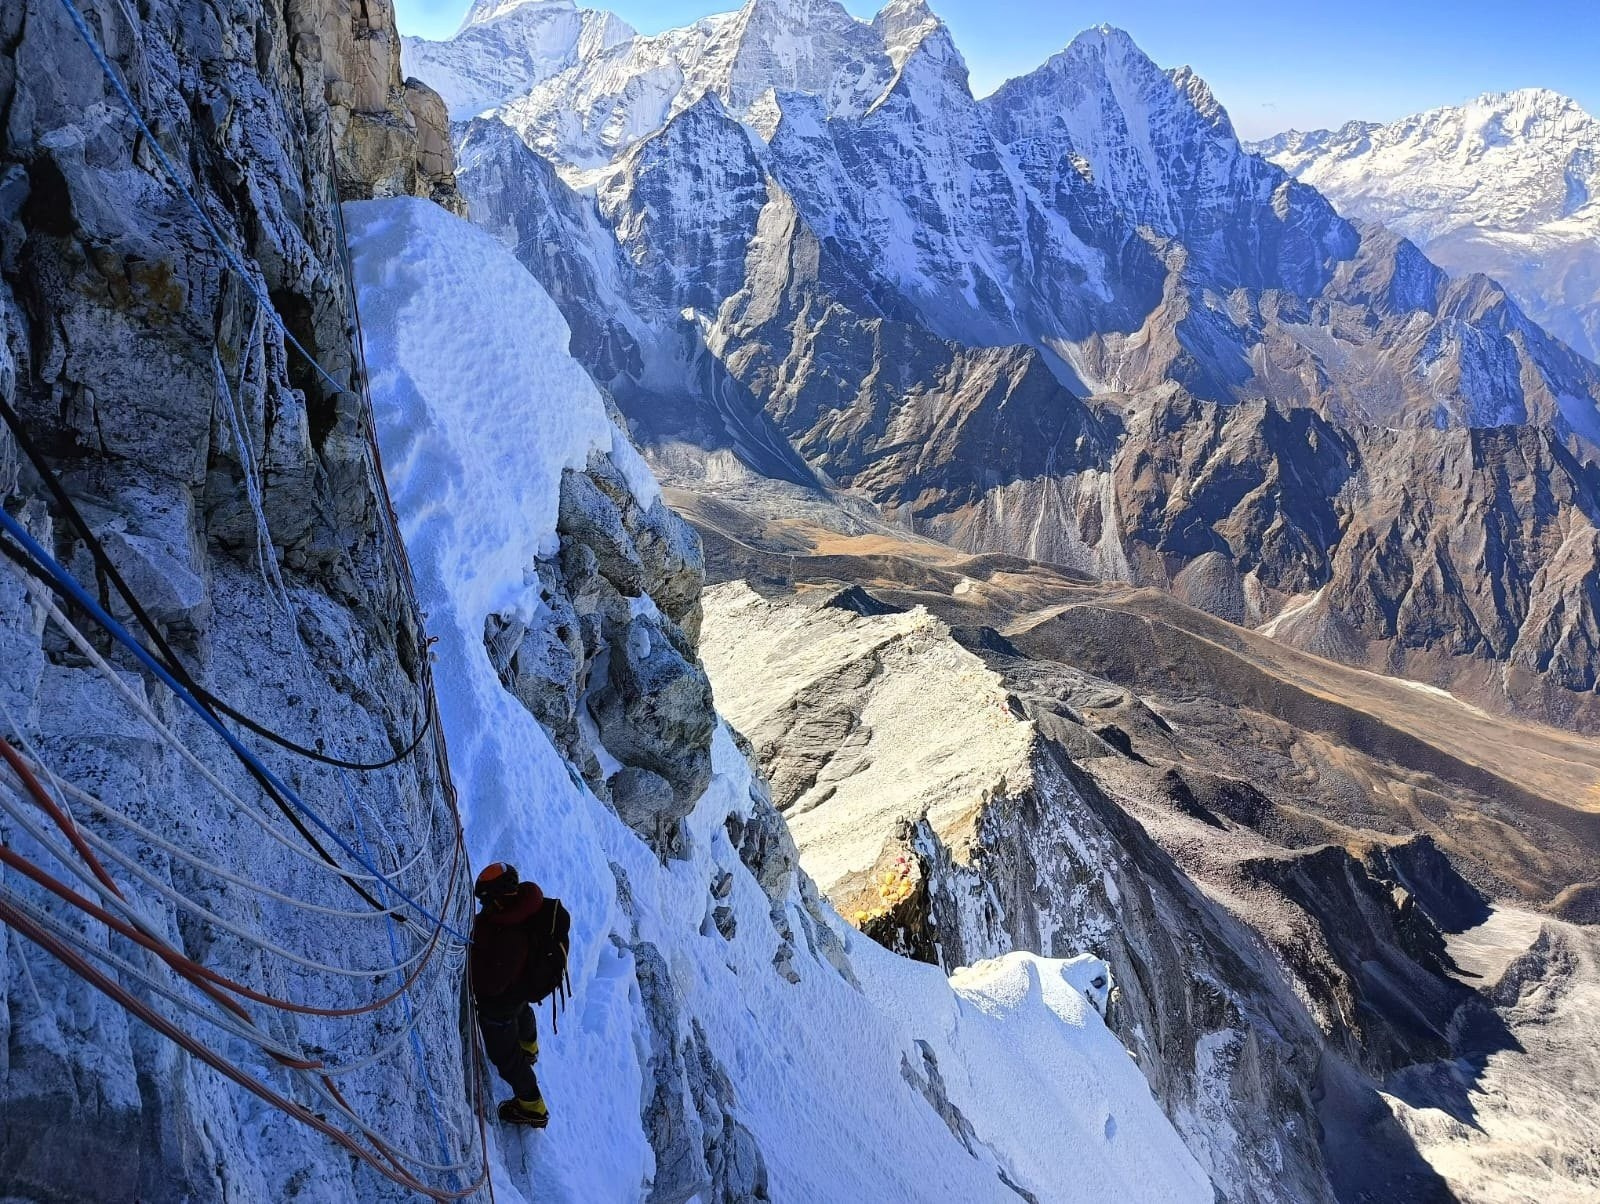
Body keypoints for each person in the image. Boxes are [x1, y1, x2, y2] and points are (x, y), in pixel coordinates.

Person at [469, 861, 570, 1128]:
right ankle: (530, 1047)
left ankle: (532, 1106)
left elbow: (490, 986)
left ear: (498, 900)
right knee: (522, 1008)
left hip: (500, 1004)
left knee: (505, 1057)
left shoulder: (510, 937)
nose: (484, 907)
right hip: (520, 988)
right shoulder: (528, 906)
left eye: (487, 902)